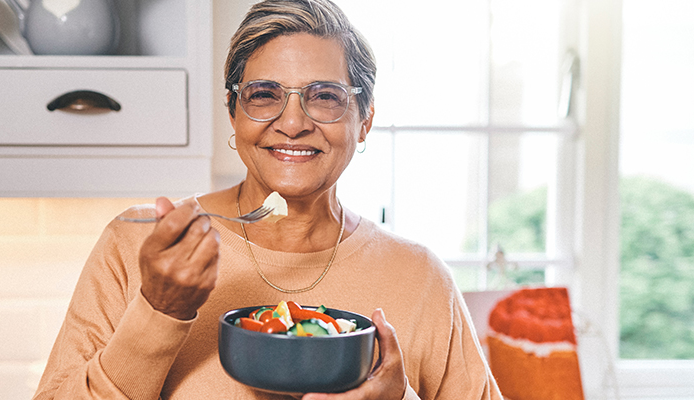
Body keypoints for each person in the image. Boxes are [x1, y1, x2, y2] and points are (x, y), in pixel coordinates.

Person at [33, 0, 502, 399]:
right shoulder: (141, 248)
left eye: (324, 96)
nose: (293, 122)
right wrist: (159, 311)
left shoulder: (419, 278)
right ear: (234, 115)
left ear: (364, 121)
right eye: (264, 95)